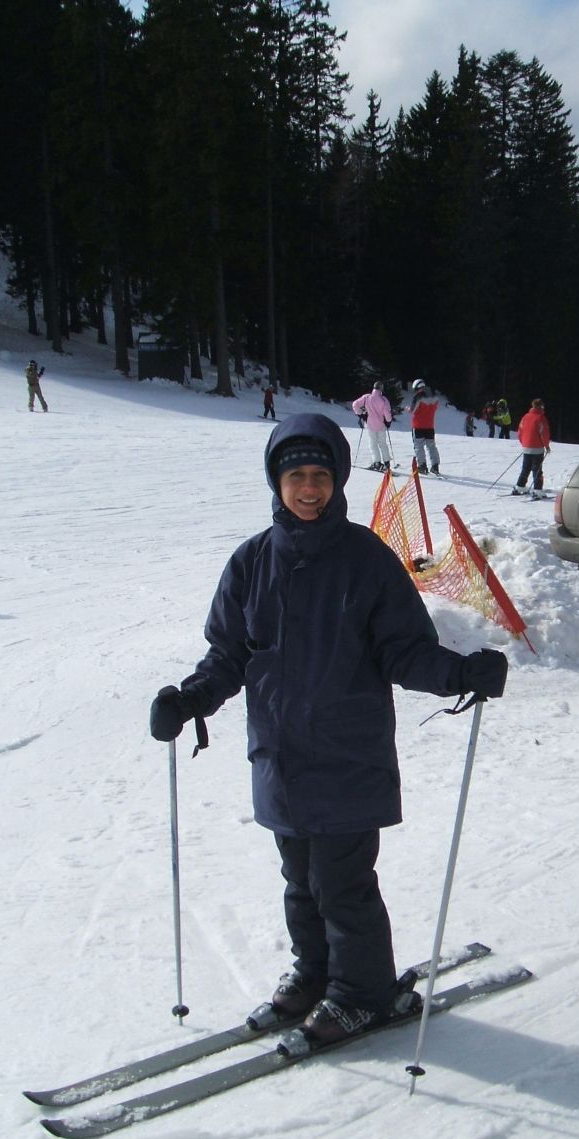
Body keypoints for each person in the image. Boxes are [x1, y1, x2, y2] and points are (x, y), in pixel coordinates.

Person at [149, 413, 508, 1047]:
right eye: (296, 477)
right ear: (277, 482)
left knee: (343, 885)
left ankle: (362, 993)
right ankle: (317, 972)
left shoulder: (366, 560)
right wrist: (190, 700)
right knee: (300, 882)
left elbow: (404, 649)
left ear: (338, 479)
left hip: (348, 753)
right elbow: (228, 655)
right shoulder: (251, 562)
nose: (309, 488)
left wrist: (459, 673)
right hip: (279, 755)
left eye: (320, 475)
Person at [352, 381, 393, 471]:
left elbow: (355, 404)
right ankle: (387, 463)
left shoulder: (367, 397)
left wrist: (361, 414)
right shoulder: (384, 400)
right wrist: (388, 422)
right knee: (383, 444)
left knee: (373, 444)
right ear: (381, 389)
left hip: (370, 425)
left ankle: (377, 463)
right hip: (381, 425)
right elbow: (388, 414)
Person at [513, 399, 552, 494]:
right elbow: (544, 434)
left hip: (526, 447)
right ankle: (538, 490)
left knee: (525, 468)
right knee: (537, 470)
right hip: (537, 449)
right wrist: (546, 446)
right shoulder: (541, 418)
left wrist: (524, 443)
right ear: (541, 406)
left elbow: (520, 432)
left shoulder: (525, 417)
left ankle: (520, 486)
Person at [408, 378, 440, 474]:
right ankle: (435, 466)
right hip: (430, 426)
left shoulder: (418, 397)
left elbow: (413, 410)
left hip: (418, 426)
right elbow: (435, 408)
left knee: (419, 447)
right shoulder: (433, 397)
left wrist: (408, 409)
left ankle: (422, 466)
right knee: (432, 446)